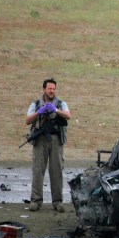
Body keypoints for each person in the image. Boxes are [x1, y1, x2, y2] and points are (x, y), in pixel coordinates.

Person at [25, 78, 71, 212]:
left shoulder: (61, 104)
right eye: (49, 88)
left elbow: (68, 115)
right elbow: (28, 120)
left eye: (54, 89)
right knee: (38, 170)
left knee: (56, 171)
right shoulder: (36, 104)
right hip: (40, 140)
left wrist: (55, 110)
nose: (52, 91)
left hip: (56, 140)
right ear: (44, 89)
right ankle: (36, 201)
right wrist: (39, 111)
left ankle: (57, 202)